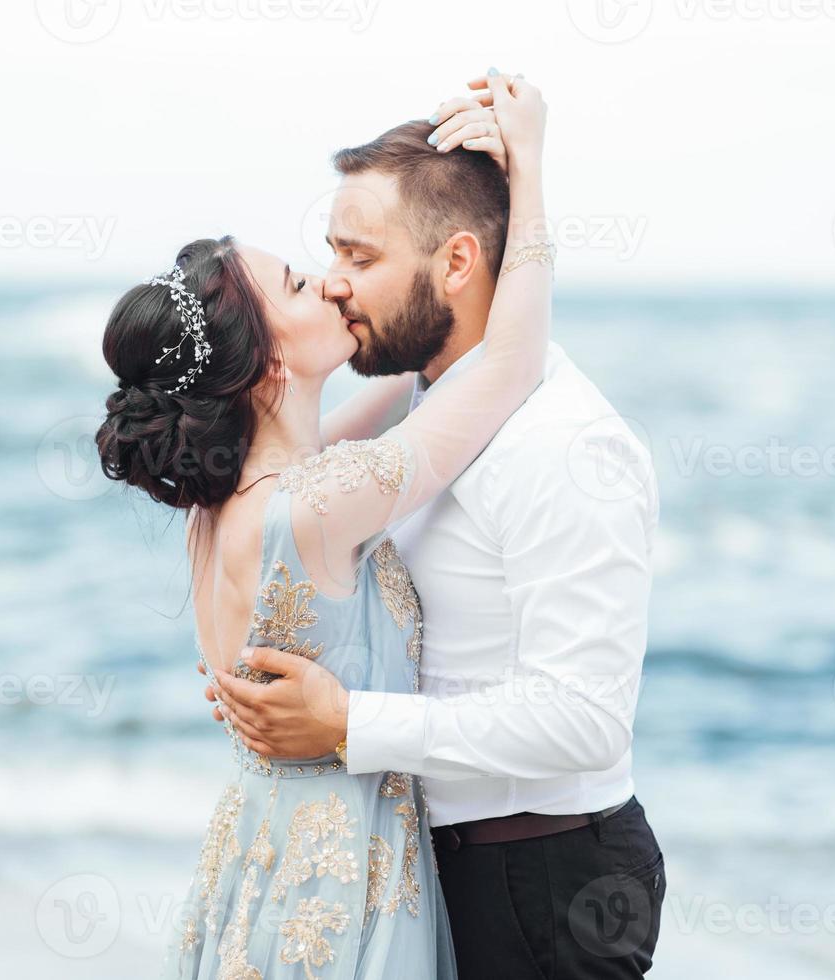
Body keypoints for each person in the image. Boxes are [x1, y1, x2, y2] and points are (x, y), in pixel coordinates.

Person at [208, 76, 665, 979]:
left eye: (358, 255)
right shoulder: (415, 417)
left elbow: (586, 721)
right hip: (422, 871)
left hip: (540, 884)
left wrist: (346, 721)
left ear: (456, 263)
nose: (334, 282)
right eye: (325, 253)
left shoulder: (563, 444)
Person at [97, 72, 550, 978]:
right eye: (304, 282)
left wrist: (417, 302)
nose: (336, 285)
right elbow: (510, 368)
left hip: (258, 856)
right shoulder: (318, 502)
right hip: (343, 880)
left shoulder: (235, 496)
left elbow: (407, 392)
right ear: (270, 364)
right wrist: (531, 166)